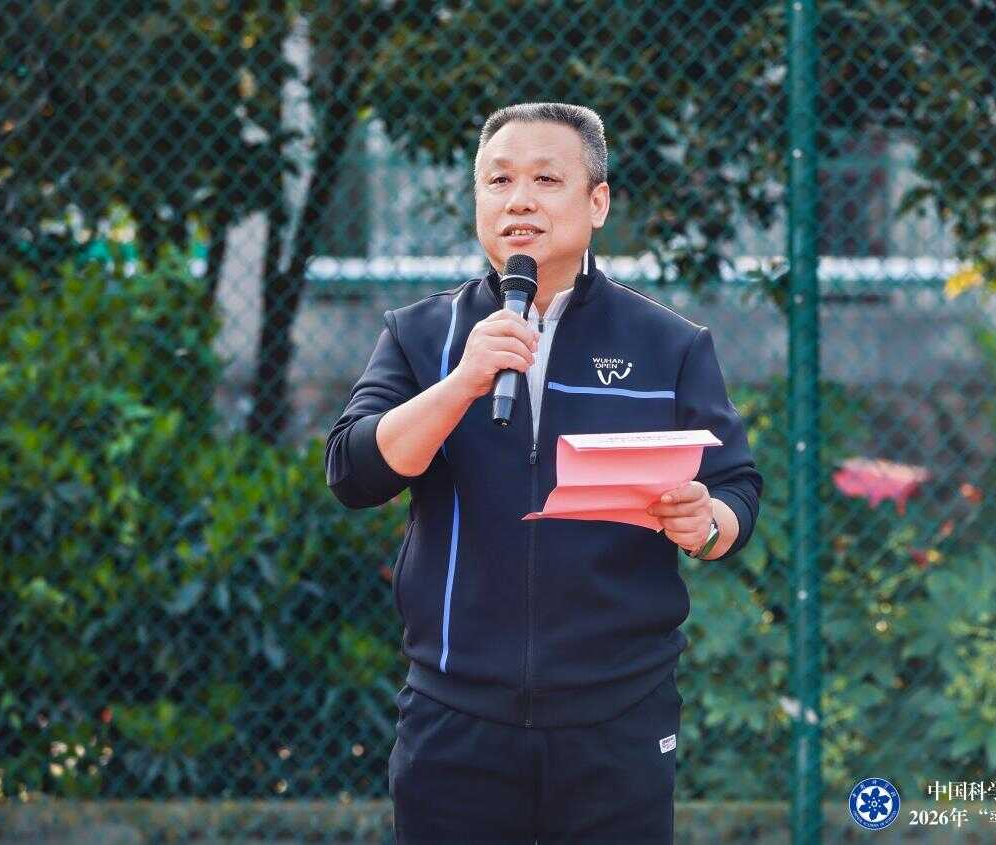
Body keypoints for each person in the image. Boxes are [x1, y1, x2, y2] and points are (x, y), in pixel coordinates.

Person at [325, 102, 762, 844]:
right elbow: (353, 472)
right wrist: (461, 383)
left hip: (619, 718)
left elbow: (736, 487)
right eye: (498, 180)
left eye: (546, 179)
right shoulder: (422, 336)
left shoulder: (668, 344)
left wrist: (707, 524)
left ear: (598, 202)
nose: (519, 200)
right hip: (454, 718)